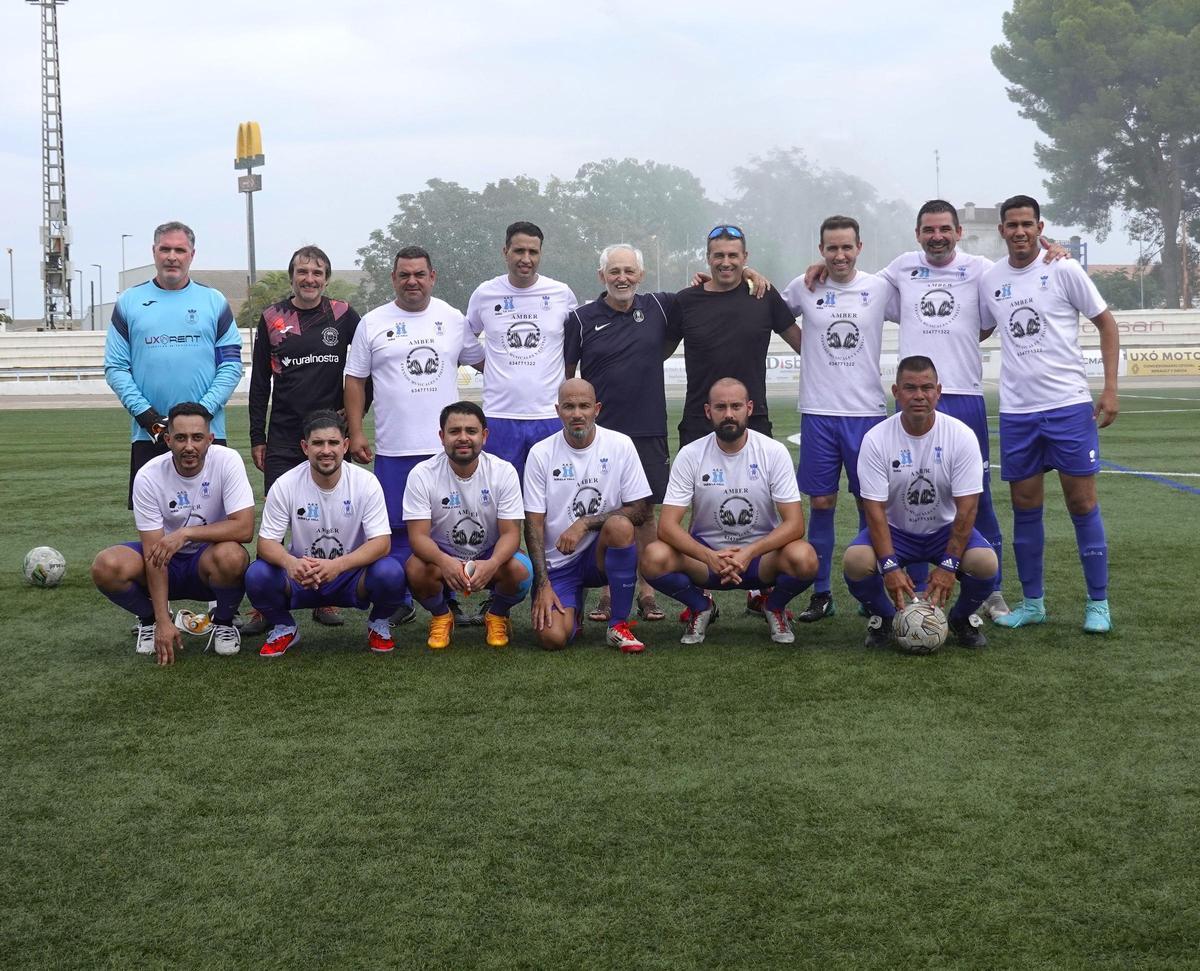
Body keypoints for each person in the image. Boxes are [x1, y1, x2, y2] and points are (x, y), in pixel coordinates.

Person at [981, 195, 1120, 633]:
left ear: (1039, 227)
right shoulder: (991, 278)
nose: (1020, 231)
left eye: (1027, 224)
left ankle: (1098, 604)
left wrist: (1110, 389)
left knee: (1082, 502)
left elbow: (1107, 323)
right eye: (1012, 224)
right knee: (1025, 506)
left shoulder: (1063, 268)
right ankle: (1033, 603)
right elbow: (978, 327)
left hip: (1067, 405)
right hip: (1018, 411)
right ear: (1002, 230)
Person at [343, 246, 485, 624]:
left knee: (446, 527)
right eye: (404, 274)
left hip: (447, 450)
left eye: (419, 274)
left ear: (432, 277)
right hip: (395, 448)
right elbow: (355, 380)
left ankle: (449, 600)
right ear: (393, 278)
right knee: (396, 528)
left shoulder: (452, 318)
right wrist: (355, 431)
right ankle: (400, 599)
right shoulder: (372, 322)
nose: (412, 281)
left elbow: (485, 363)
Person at [781, 216, 898, 624]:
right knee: (821, 502)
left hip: (866, 414)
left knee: (870, 504)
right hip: (819, 412)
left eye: (847, 246)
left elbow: (920, 312)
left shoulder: (879, 288)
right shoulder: (804, 286)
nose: (840, 255)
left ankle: (871, 590)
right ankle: (822, 593)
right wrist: (807, 347)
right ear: (821, 250)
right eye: (832, 247)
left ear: (859, 247)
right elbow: (772, 311)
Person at [641, 378, 819, 645]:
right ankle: (701, 606)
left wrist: (749, 553)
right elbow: (667, 526)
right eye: (720, 407)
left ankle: (774, 606)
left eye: (736, 406)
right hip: (707, 560)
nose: (728, 414)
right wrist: (709, 557)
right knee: (652, 558)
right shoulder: (691, 454)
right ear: (708, 411)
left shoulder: (773, 452)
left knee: (805, 558)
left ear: (749, 408)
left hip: (760, 559)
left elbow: (795, 524)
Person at [246, 244, 364, 632]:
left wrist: (356, 416)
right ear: (292, 276)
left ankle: (324, 595)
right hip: (284, 436)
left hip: (329, 438)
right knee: (277, 520)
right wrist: (258, 436)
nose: (309, 279)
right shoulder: (272, 317)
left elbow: (368, 367)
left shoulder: (343, 315)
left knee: (332, 515)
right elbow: (260, 382)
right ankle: (265, 604)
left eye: (317, 273)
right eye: (302, 272)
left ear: (326, 279)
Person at [841, 356, 997, 649]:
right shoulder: (876, 439)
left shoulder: (961, 436)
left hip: (944, 531)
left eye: (926, 388)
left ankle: (961, 618)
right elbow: (873, 510)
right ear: (896, 392)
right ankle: (887, 618)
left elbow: (967, 508)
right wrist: (889, 566)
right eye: (910, 388)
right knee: (856, 561)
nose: (919, 396)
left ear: (938, 391)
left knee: (985, 563)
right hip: (896, 531)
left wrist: (949, 565)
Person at [91, 402, 254, 665]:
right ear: (168, 440)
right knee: (106, 565)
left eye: (197, 437)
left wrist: (186, 533)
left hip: (206, 563)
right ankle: (150, 619)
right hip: (165, 560)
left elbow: (244, 528)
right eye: (180, 438)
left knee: (233, 556)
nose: (189, 446)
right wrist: (162, 621)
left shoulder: (228, 460)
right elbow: (153, 554)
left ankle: (223, 621)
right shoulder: (148, 476)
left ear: (210, 439)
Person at [565, 243, 675, 624]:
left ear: (640, 275)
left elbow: (705, 294)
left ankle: (647, 591)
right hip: (602, 434)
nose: (622, 278)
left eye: (629, 271)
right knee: (607, 510)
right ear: (602, 276)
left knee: (645, 511)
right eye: (614, 271)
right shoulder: (580, 319)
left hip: (648, 429)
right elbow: (568, 377)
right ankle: (609, 592)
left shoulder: (659, 306)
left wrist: (750, 275)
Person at [244, 410, 407, 657]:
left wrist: (338, 565)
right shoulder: (286, 483)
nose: (326, 450)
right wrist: (290, 563)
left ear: (345, 446)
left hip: (350, 575)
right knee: (257, 574)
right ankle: (284, 627)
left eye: (333, 443)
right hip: (304, 575)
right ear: (305, 447)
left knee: (391, 572)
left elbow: (382, 543)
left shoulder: (365, 482)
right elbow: (266, 543)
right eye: (318, 443)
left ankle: (378, 624)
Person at [104, 221, 242, 509]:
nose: (172, 257)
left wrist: (201, 414)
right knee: (153, 523)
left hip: (207, 433)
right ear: (153, 252)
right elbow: (116, 367)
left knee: (215, 520)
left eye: (180, 250)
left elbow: (230, 365)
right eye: (165, 249)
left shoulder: (214, 301)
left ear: (192, 255)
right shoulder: (129, 302)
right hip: (150, 434)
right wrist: (149, 419)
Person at [524, 378, 653, 653]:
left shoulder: (620, 445)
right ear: (558, 411)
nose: (577, 414)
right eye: (569, 407)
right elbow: (533, 525)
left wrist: (584, 523)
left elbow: (641, 510)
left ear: (597, 409)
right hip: (559, 563)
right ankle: (574, 610)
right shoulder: (540, 453)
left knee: (620, 526)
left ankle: (618, 624)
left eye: (584, 406)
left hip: (600, 555)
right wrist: (543, 583)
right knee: (552, 638)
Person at [403, 401, 533, 649]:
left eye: (471, 431)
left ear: (484, 435)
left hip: (488, 554)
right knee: (415, 569)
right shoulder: (422, 474)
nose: (463, 438)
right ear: (442, 436)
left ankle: (497, 615)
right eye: (454, 431)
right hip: (443, 556)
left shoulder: (503, 472)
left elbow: (511, 534)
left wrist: (492, 563)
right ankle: (442, 615)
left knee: (520, 570)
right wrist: (444, 561)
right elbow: (418, 537)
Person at [666, 225, 802, 447]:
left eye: (733, 255)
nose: (726, 262)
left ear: (744, 257)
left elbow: (804, 346)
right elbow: (659, 352)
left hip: (752, 419)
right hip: (700, 421)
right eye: (719, 255)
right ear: (708, 257)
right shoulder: (685, 301)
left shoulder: (763, 295)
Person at [465, 221, 579, 483]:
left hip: (549, 415)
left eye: (533, 252)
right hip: (499, 416)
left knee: (552, 494)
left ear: (540, 254)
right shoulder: (485, 293)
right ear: (505, 251)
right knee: (502, 494)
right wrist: (487, 365)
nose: (526, 259)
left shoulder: (561, 293)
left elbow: (576, 341)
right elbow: (465, 337)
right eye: (519, 251)